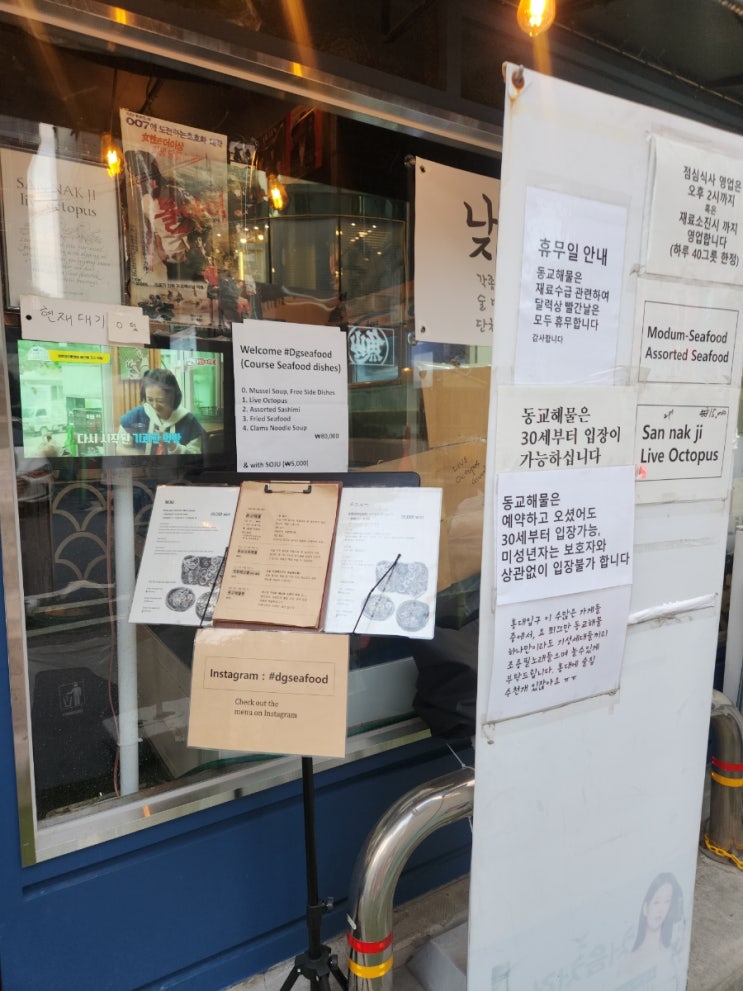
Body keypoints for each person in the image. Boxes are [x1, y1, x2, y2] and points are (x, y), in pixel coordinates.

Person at [124, 150, 211, 281]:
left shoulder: (175, 192)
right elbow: (155, 228)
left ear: (151, 178)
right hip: (170, 261)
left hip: (191, 257)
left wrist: (194, 239)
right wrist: (160, 248)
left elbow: (205, 220)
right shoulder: (145, 201)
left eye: (139, 180)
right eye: (135, 180)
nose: (137, 185)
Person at [615, 872, 685, 990]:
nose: (661, 909)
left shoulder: (674, 952)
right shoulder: (628, 963)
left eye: (667, 901)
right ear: (645, 908)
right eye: (656, 902)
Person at [118, 368, 205, 456]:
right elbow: (120, 448)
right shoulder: (135, 416)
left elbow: (196, 456)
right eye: (150, 399)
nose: (155, 406)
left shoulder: (189, 421)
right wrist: (136, 455)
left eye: (160, 401)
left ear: (173, 397)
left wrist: (173, 446)